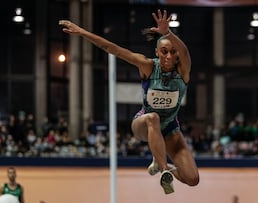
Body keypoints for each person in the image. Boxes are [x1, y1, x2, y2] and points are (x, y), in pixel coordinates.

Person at [59, 9, 199, 194]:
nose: (168, 56)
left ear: (177, 56)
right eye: (164, 51)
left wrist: (167, 33)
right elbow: (113, 49)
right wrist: (82, 32)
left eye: (173, 52)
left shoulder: (182, 72)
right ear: (157, 52)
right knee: (153, 118)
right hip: (144, 123)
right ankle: (165, 170)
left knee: (192, 179)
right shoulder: (148, 66)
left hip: (170, 129)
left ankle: (162, 164)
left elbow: (186, 52)